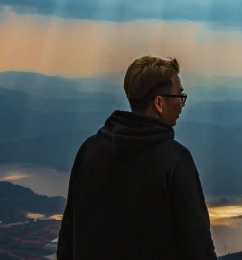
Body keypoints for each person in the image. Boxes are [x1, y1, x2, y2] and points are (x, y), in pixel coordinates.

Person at [57, 56, 217, 260]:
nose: (182, 103)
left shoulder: (89, 149)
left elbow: (69, 234)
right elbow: (197, 245)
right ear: (159, 103)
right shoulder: (175, 159)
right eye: (180, 95)